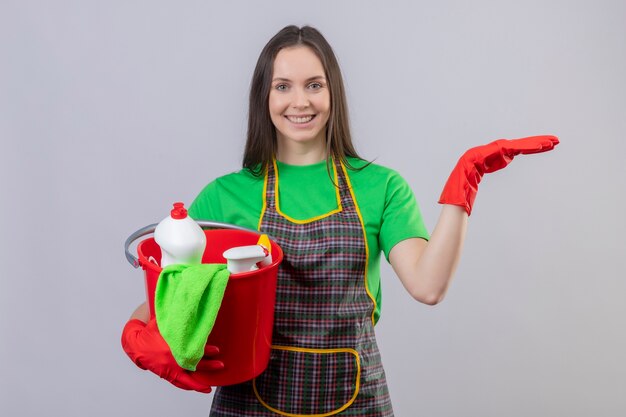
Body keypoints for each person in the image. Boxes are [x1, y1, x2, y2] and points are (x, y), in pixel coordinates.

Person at [121, 25, 559, 416]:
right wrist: (138, 337)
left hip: (358, 403)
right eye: (283, 86)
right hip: (247, 404)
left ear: (333, 93)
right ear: (264, 97)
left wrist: (463, 185)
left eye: (314, 84)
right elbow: (168, 296)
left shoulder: (381, 187)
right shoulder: (224, 196)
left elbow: (428, 286)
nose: (300, 101)